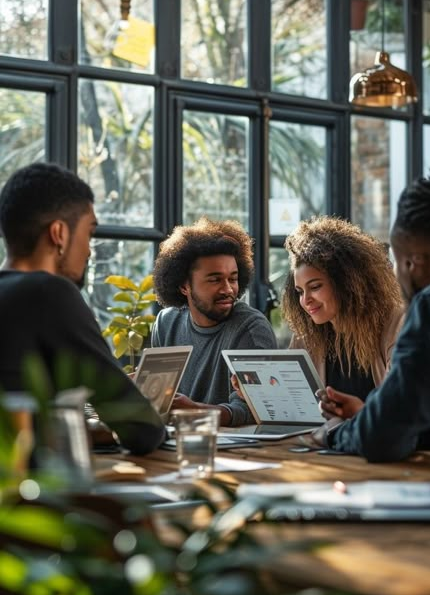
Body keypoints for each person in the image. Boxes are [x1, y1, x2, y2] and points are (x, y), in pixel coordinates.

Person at [0, 162, 166, 456]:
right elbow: (142, 429)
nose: (89, 250)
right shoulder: (48, 293)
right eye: (89, 233)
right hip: (31, 494)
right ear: (59, 234)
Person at [311, 163, 430, 462]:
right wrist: (370, 414)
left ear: (413, 262)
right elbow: (423, 411)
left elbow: (383, 439)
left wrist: (335, 434)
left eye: (395, 262)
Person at [151, 217, 277, 426]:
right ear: (184, 286)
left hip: (235, 451)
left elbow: (255, 410)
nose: (228, 289)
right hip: (172, 443)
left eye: (233, 279)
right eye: (215, 279)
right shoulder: (166, 324)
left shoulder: (250, 329)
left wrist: (194, 411)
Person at [281, 216, 405, 398]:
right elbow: (291, 401)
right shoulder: (306, 335)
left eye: (315, 287)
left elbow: (399, 402)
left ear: (346, 283)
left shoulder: (396, 323)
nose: (305, 300)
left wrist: (358, 413)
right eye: (299, 292)